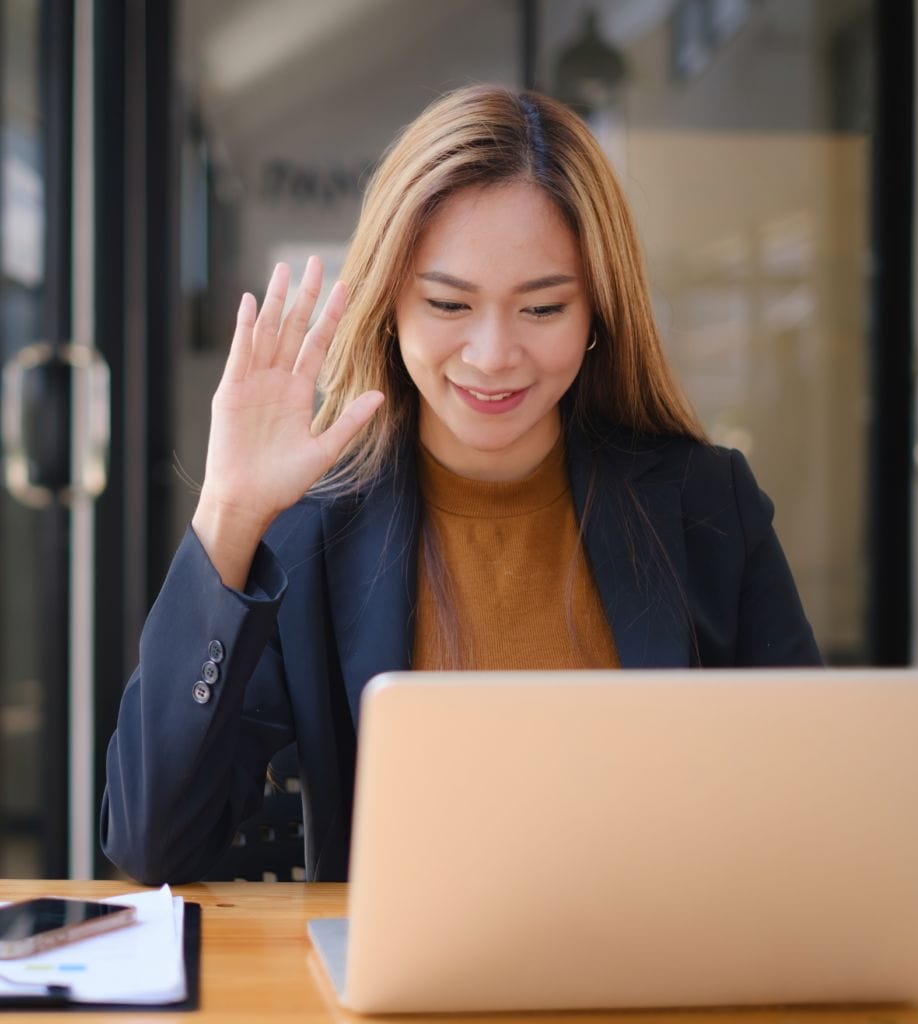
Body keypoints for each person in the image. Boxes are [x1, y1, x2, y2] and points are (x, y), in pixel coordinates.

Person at [101, 85, 821, 886]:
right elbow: (151, 842)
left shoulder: (706, 505)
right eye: (449, 302)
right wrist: (230, 513)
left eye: (542, 308)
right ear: (390, 307)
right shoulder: (308, 528)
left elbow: (815, 806)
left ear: (597, 317)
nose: (492, 354)